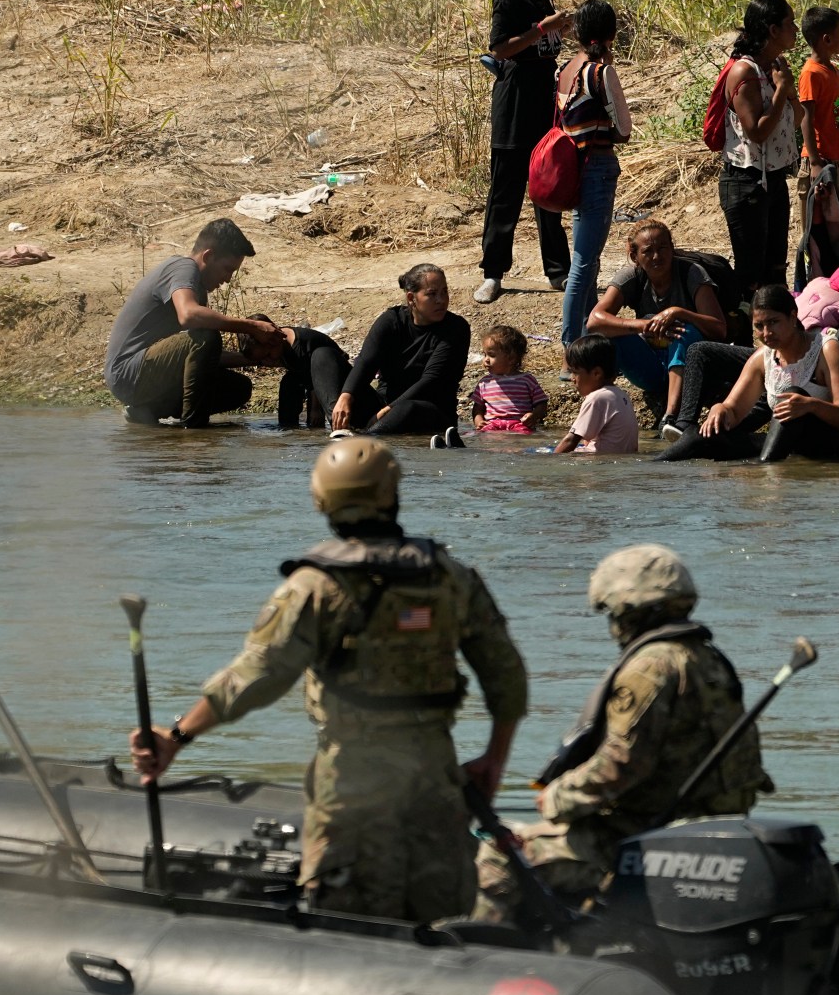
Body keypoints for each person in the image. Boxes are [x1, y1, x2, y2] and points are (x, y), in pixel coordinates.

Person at [131, 439, 528, 923]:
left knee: (345, 930)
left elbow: (258, 676)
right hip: (436, 788)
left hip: (350, 791)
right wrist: (494, 759)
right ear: (393, 492)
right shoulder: (450, 577)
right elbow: (507, 677)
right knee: (441, 929)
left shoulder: (314, 587)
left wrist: (176, 737)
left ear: (322, 501)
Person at [474, 545, 767, 925]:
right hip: (703, 829)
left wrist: (556, 798)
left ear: (626, 609)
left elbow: (620, 765)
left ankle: (477, 960)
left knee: (502, 854)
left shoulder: (650, 667)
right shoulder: (709, 658)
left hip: (646, 839)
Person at [477, 0, 572, 305]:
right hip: (515, 102)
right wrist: (540, 29)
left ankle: (558, 271)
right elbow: (500, 47)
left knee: (548, 185)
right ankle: (493, 273)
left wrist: (556, 31)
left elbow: (540, 42)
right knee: (507, 190)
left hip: (542, 100)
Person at [658, 285, 839, 462]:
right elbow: (734, 410)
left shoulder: (827, 350)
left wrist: (810, 406)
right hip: (788, 448)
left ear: (792, 317)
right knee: (701, 436)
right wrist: (720, 410)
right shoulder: (762, 358)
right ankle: (652, 467)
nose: (766, 333)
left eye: (773, 322)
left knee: (792, 394)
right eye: (759, 326)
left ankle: (765, 472)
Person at [106, 218, 278, 426]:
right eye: (227, 269)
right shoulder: (183, 268)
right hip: (127, 374)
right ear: (208, 256)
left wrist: (253, 359)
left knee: (238, 388)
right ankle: (194, 430)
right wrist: (251, 326)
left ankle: (147, 411)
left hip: (147, 375)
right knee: (206, 336)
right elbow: (188, 316)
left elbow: (202, 356)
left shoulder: (198, 291)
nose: (227, 279)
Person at [583, 219, 727, 424]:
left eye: (663, 249)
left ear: (672, 249)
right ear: (635, 256)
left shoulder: (691, 272)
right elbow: (595, 321)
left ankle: (671, 414)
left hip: (692, 370)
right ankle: (600, 407)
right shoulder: (632, 276)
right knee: (610, 337)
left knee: (681, 331)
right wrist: (644, 326)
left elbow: (719, 329)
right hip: (651, 369)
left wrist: (679, 312)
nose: (657, 257)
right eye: (648, 251)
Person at [555, 0, 635, 345]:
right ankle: (573, 348)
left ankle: (587, 337)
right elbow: (624, 129)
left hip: (574, 168)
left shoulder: (565, 70)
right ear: (611, 34)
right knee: (585, 264)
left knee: (585, 259)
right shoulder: (600, 72)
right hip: (598, 168)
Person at [716, 0, 802, 301]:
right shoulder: (745, 71)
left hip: (774, 180)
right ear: (773, 30)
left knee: (776, 269)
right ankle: (741, 340)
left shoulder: (777, 66)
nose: (796, 28)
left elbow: (797, 119)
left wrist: (787, 89)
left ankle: (774, 340)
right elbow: (757, 132)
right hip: (746, 182)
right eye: (790, 22)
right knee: (751, 274)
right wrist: (780, 91)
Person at [335, 263, 472, 445]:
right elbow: (365, 364)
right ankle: (338, 430)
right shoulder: (391, 320)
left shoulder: (456, 328)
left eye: (444, 292)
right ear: (411, 298)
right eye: (432, 294)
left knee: (407, 408)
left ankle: (363, 442)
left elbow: (432, 380)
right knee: (328, 361)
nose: (441, 299)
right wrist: (346, 397)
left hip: (429, 411)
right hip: (382, 408)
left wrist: (389, 410)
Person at [795, 6, 839, 287]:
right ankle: (812, 283)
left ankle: (833, 278)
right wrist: (816, 161)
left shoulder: (831, 70)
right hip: (820, 160)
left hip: (837, 159)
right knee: (815, 228)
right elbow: (807, 117)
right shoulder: (811, 73)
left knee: (837, 224)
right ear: (826, 39)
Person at [241, 316, 353, 430]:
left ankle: (328, 427)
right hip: (306, 375)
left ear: (274, 341)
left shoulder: (299, 348)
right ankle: (287, 426)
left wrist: (315, 409)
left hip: (332, 374)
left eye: (267, 356)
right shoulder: (279, 343)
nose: (267, 361)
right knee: (288, 382)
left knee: (315, 417)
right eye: (262, 360)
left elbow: (314, 380)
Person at [555, 334, 639, 455]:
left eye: (575, 372)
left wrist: (549, 463)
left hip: (598, 464)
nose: (572, 379)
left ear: (596, 373)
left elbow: (570, 440)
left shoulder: (597, 398)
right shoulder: (621, 395)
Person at [468, 325, 549, 434]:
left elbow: (542, 404)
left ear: (511, 358)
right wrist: (479, 421)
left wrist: (534, 416)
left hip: (519, 423)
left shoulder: (526, 380)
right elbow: (478, 408)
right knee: (482, 434)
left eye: (491, 355)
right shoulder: (485, 382)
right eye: (485, 354)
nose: (486, 360)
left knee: (524, 434)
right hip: (492, 424)